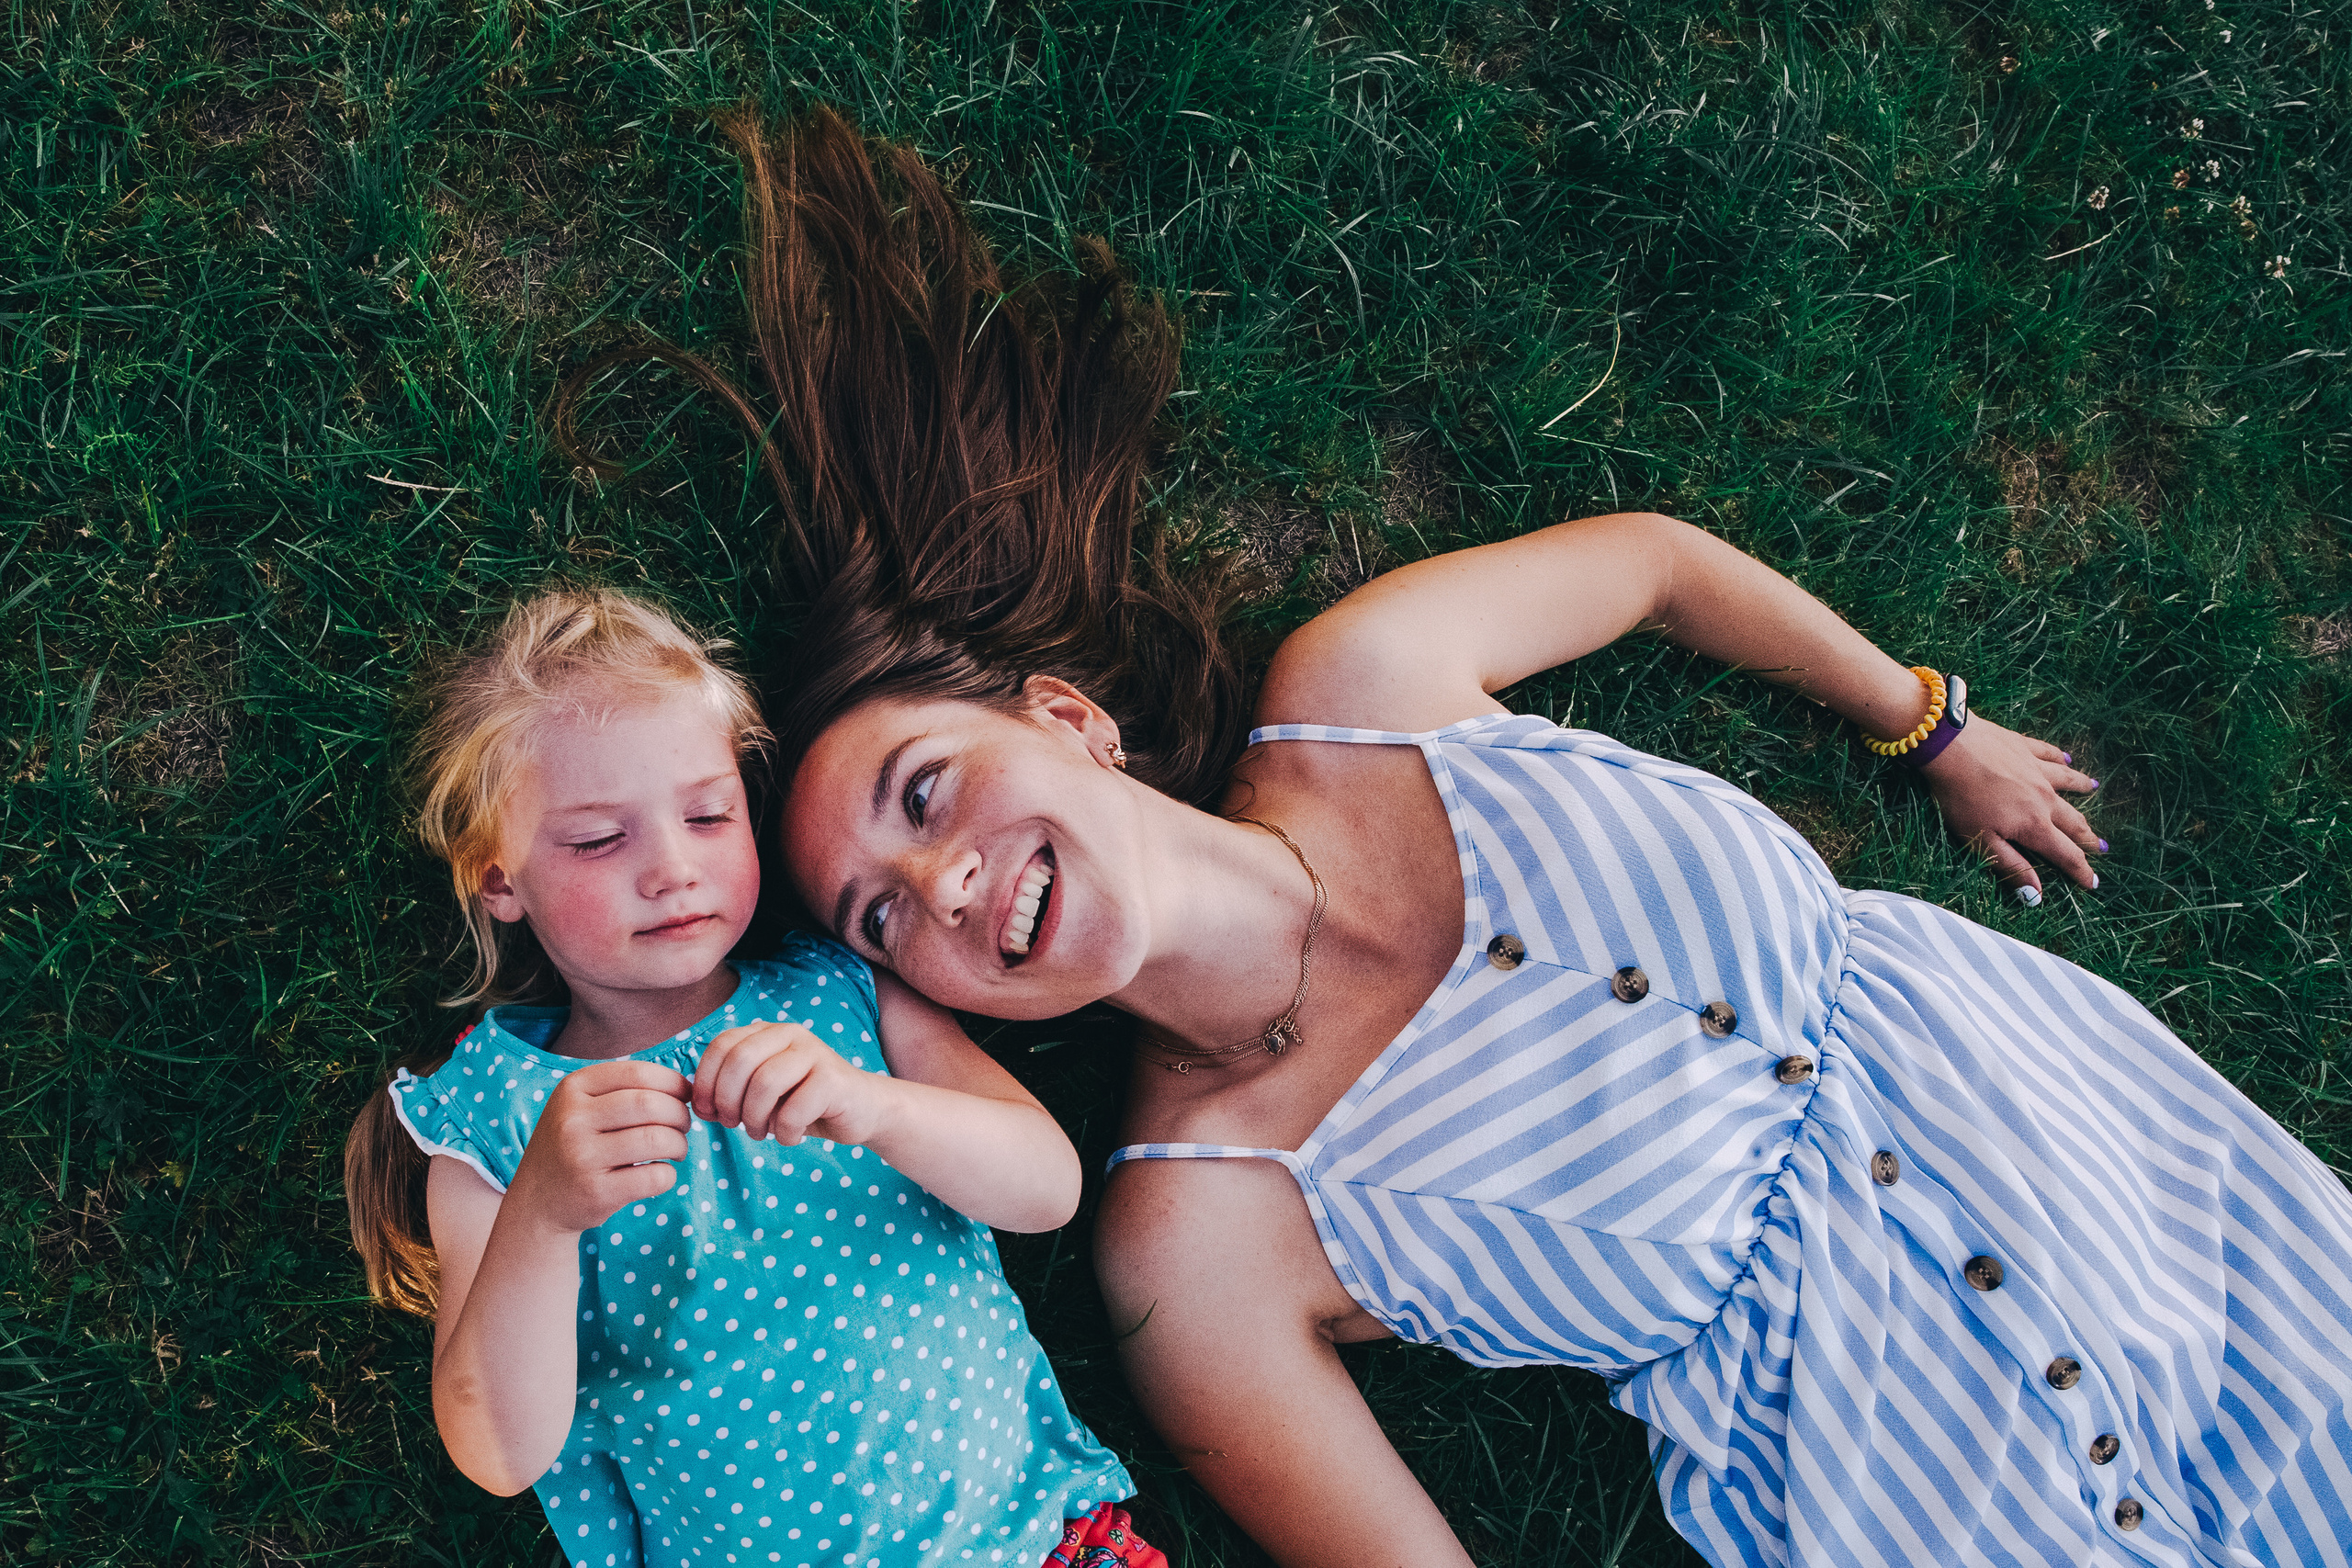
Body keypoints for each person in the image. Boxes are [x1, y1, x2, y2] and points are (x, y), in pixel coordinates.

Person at [581, 109, 2352, 1568]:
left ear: (1065, 719)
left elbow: (1654, 560)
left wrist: (1924, 720)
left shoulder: (1362, 684)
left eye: (924, 795)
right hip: (1916, 1487)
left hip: (2122, 1165)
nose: (944, 884)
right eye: (884, 924)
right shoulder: (1197, 1246)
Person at [340, 589, 1168, 1568]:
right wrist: (545, 1216)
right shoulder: (496, 1121)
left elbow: (1046, 1187)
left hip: (1034, 1542)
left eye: (705, 813)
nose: (672, 869)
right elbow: (497, 1453)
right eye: (600, 839)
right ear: (500, 880)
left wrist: (877, 1107)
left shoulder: (842, 993)